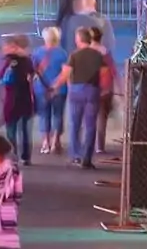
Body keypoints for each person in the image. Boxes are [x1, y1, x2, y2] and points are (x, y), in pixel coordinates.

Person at [64, 28, 108, 169]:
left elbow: (67, 74)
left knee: (75, 124)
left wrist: (65, 86)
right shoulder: (98, 55)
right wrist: (103, 88)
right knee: (90, 125)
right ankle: (87, 159)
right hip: (92, 90)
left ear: (79, 39)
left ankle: (75, 155)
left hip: (76, 91)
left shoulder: (74, 55)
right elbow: (105, 72)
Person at [0, 35, 38, 155]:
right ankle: (25, 156)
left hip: (12, 99)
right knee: (25, 130)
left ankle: (13, 154)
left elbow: (1, 78)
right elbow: (32, 76)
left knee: (11, 129)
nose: (3, 49)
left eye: (5, 46)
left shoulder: (10, 62)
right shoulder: (28, 61)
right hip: (26, 100)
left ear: (13, 47)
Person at [33, 29, 70, 160]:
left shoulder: (37, 53)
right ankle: (56, 142)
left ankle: (45, 143)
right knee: (58, 115)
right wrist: (56, 85)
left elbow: (34, 72)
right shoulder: (63, 53)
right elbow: (66, 72)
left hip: (41, 88)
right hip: (59, 89)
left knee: (44, 115)